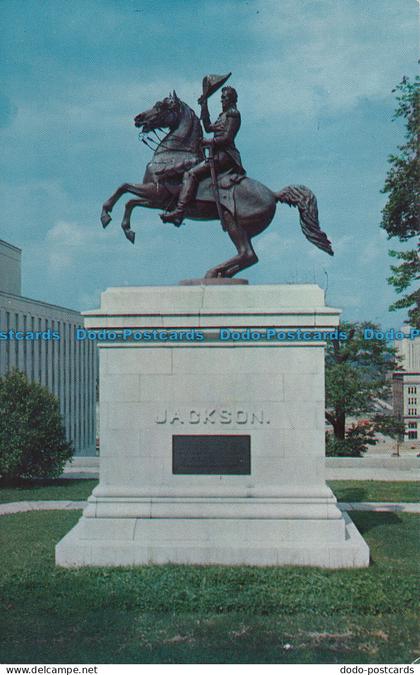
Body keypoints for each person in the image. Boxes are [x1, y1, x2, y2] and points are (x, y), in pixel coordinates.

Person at [160, 86, 245, 226]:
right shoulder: (222, 116)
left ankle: (180, 211)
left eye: (225, 98)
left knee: (190, 174)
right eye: (222, 98)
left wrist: (208, 141)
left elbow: (227, 139)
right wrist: (204, 106)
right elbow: (208, 127)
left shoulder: (233, 114)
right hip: (217, 154)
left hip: (226, 155)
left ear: (232, 100)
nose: (222, 100)